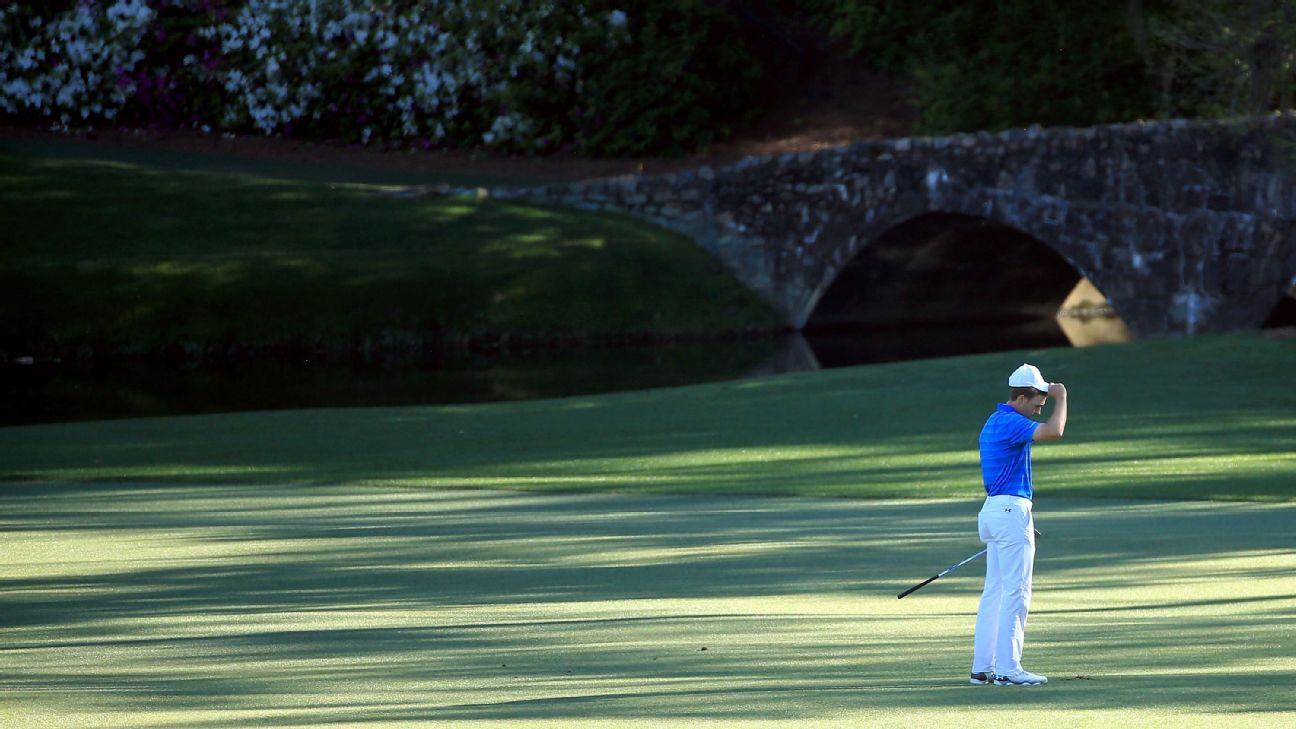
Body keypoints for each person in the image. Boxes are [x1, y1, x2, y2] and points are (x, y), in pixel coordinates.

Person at [969, 363, 1067, 687]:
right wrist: (1061, 397)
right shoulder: (1012, 422)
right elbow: (1054, 431)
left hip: (997, 512)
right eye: (1037, 404)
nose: (1040, 409)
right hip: (1011, 512)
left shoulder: (994, 420)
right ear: (1022, 397)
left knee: (995, 592)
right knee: (1017, 592)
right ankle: (1009, 668)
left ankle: (983, 667)